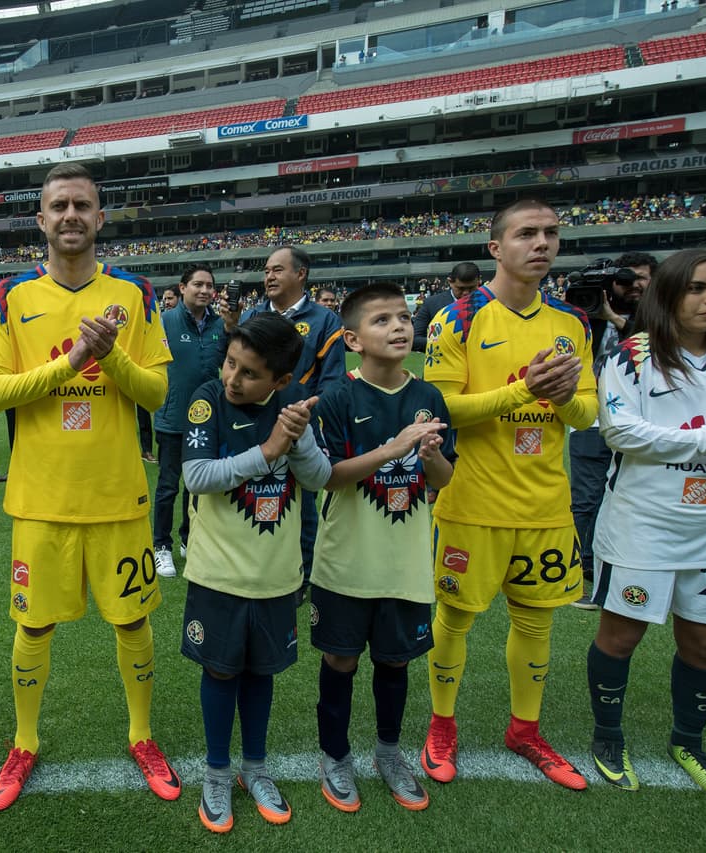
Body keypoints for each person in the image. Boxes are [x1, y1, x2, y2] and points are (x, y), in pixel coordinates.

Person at [0, 163, 180, 810]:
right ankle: (24, 740)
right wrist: (71, 360)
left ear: (99, 218)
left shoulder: (137, 292)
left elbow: (157, 392)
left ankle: (142, 734)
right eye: (58, 205)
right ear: (41, 219)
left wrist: (111, 353)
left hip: (118, 494)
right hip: (41, 500)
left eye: (82, 205)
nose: (70, 215)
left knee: (133, 618)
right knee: (33, 626)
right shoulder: (9, 296)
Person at [420, 199, 596, 790]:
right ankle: (442, 723)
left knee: (537, 621)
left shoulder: (573, 323)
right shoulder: (459, 318)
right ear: (497, 248)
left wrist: (563, 395)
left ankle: (525, 729)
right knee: (457, 617)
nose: (541, 243)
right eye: (526, 234)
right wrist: (523, 391)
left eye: (550, 233)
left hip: (546, 505)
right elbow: (440, 409)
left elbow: (586, 414)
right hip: (472, 501)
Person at [181, 314, 331, 833]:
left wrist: (299, 437)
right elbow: (197, 476)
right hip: (217, 574)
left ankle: (255, 769)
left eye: (248, 372)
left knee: (261, 672)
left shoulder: (291, 410)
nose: (233, 379)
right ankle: (217, 772)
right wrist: (266, 451)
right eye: (230, 363)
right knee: (221, 670)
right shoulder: (207, 400)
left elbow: (319, 478)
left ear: (280, 381)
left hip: (276, 575)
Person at [311, 284, 454, 813]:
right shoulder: (338, 398)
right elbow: (328, 477)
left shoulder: (429, 397)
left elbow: (443, 477)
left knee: (395, 663)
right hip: (347, 561)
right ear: (352, 339)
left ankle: (389, 753)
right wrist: (393, 448)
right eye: (382, 320)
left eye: (404, 317)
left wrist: (432, 454)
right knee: (341, 659)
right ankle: (335, 755)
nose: (399, 327)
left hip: (406, 561)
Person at [586, 248, 706, 795]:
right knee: (621, 636)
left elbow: (650, 437)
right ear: (669, 294)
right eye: (698, 289)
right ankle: (607, 735)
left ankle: (689, 739)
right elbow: (622, 433)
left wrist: (680, 445)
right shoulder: (633, 358)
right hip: (643, 525)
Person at [242, 246, 346, 594]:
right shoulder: (252, 315)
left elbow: (332, 382)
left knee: (301, 502)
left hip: (301, 426)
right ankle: (255, 564)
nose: (268, 276)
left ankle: (301, 574)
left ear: (300, 274)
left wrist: (304, 414)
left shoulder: (325, 320)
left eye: (277, 270)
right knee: (254, 493)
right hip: (255, 425)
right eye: (266, 270)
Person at [568, 251, 656, 609]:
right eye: (626, 279)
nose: (633, 285)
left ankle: (626, 564)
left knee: (628, 496)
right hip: (591, 417)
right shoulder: (587, 309)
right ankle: (582, 567)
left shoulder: (659, 314)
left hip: (643, 422)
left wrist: (615, 319)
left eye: (641, 279)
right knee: (586, 496)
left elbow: (655, 348)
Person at [151, 263, 229, 578]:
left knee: (196, 485)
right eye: (198, 284)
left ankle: (188, 537)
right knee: (168, 486)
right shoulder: (164, 321)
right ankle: (161, 546)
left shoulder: (221, 325)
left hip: (208, 420)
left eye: (209, 286)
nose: (205, 291)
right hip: (172, 418)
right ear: (183, 288)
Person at [412, 262, 481, 352]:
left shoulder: (491, 303)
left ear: (479, 281)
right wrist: (445, 343)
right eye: (460, 288)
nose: (466, 293)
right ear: (450, 282)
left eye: (471, 288)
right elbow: (415, 340)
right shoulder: (431, 304)